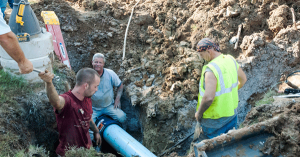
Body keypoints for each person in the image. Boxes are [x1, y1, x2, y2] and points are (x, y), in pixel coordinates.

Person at [38, 68, 102, 156]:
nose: (96, 89)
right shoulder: (68, 100)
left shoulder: (87, 98)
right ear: (86, 86)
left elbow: (88, 118)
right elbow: (56, 102)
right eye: (95, 86)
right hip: (68, 154)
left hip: (86, 150)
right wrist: (49, 82)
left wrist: (96, 131)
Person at [194, 38, 247, 139]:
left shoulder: (211, 69)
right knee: (230, 142)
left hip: (214, 120)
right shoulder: (230, 59)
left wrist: (199, 113)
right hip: (231, 113)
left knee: (214, 147)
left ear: (208, 51)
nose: (202, 58)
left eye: (201, 55)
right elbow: (243, 80)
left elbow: (209, 98)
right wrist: (230, 95)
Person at [90, 53, 126, 126]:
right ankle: (93, 137)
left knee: (122, 117)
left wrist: (117, 99)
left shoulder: (110, 73)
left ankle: (123, 131)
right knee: (88, 125)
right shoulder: (88, 75)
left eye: (100, 62)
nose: (98, 64)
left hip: (109, 106)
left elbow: (120, 85)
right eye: (96, 62)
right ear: (92, 62)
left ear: (103, 64)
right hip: (94, 108)